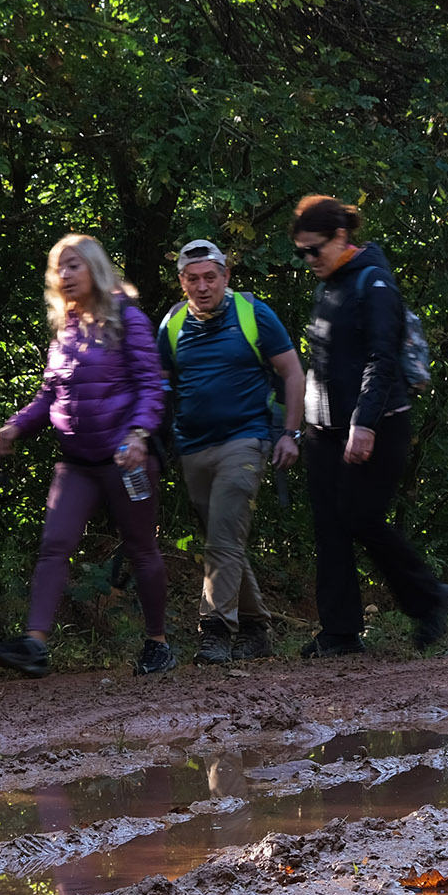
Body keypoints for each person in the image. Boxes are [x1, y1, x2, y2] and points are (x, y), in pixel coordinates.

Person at [0, 234, 173, 678]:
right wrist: (14, 426)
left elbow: (151, 386)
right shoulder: (66, 329)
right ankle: (35, 644)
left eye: (73, 265)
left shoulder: (127, 317)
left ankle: (157, 642)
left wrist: (138, 434)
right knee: (55, 545)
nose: (64, 275)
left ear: (94, 268)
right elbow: (49, 395)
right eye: (59, 268)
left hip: (125, 459)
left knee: (141, 548)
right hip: (76, 462)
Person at [293, 197, 448, 657]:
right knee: (329, 526)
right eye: (300, 252)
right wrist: (309, 422)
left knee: (361, 517)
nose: (308, 260)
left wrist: (362, 424)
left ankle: (429, 598)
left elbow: (382, 359)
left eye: (314, 250)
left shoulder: (375, 282)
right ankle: (340, 633)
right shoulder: (329, 283)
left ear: (341, 238)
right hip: (324, 429)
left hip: (379, 423)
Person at [157, 238, 306, 663]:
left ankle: (216, 629)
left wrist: (290, 434)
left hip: (246, 439)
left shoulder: (253, 313)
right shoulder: (172, 323)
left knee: (221, 536)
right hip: (192, 446)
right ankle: (257, 629)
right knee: (223, 538)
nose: (202, 286)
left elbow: (292, 372)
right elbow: (160, 384)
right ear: (182, 281)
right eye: (192, 279)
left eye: (210, 277)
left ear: (225, 276)